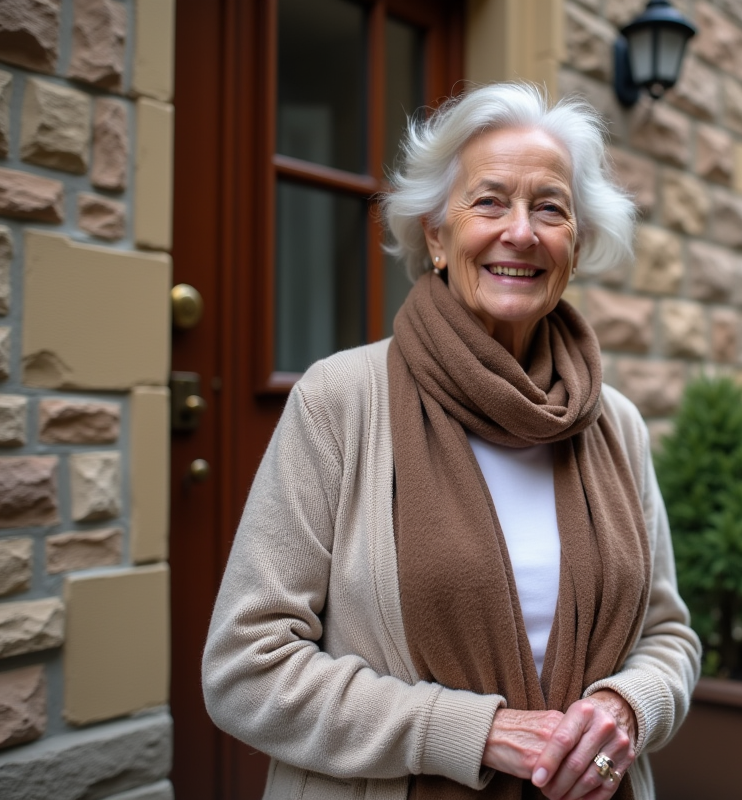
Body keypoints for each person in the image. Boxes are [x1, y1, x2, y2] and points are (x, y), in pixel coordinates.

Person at [202, 82, 701, 800]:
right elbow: (246, 669)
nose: (521, 232)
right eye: (490, 201)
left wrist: (629, 707)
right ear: (436, 234)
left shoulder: (614, 422)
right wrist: (473, 733)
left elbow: (668, 637)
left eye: (550, 208)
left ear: (577, 245)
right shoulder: (340, 400)